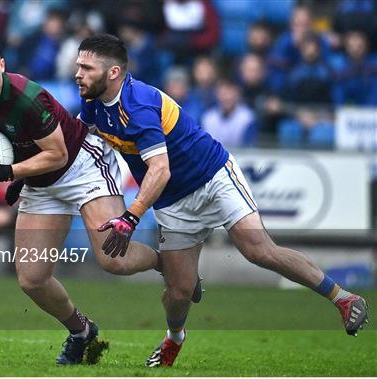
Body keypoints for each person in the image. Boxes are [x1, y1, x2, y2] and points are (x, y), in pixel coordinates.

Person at [75, 34, 369, 368]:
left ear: (113, 72)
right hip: (173, 203)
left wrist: (130, 218)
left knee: (258, 250)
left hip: (213, 178)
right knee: (179, 293)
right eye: (77, 66)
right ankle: (174, 339)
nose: (78, 73)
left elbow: (160, 170)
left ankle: (343, 298)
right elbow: (74, 136)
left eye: (86, 67)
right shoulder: (92, 101)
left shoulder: (138, 106)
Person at [0, 35, 200, 365]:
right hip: (40, 183)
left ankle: (170, 267)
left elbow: (57, 155)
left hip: (82, 165)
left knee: (114, 259)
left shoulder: (28, 98)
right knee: (31, 279)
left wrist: (7, 172)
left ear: (3, 67)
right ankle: (81, 331)